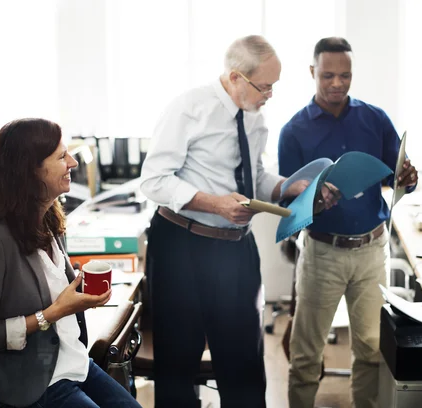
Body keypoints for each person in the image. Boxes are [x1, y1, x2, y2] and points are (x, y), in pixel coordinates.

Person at [140, 35, 330, 408]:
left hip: (236, 250)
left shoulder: (256, 119)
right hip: (182, 246)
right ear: (236, 77)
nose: (270, 95)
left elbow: (253, 176)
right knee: (177, 364)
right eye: (265, 86)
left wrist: (290, 188)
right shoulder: (189, 109)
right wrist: (215, 205)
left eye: (274, 86)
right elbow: (154, 180)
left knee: (244, 365)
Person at [278, 37, 418, 408]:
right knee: (306, 355)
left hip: (372, 251)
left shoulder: (374, 118)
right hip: (323, 252)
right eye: (328, 76)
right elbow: (286, 202)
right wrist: (314, 201)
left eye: (345, 75)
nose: (337, 83)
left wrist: (407, 177)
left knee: (372, 349)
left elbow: (396, 177)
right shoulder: (293, 131)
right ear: (312, 73)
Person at [0, 118, 142, 408]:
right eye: (62, 156)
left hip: (76, 364)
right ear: (29, 169)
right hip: (35, 384)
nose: (73, 162)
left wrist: (78, 300)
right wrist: (51, 314)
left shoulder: (49, 219)